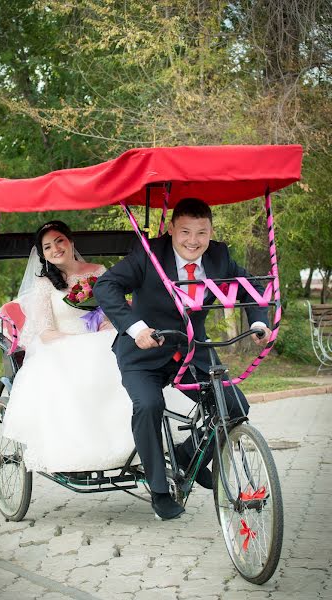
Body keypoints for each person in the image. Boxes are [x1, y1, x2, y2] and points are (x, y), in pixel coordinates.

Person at [94, 198, 272, 520]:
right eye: (185, 231)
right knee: (149, 406)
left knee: (234, 407)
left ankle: (189, 455)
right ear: (172, 228)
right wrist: (136, 328)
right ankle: (159, 490)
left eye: (201, 233)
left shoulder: (219, 255)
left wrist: (259, 322)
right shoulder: (149, 254)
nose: (193, 241)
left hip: (192, 351)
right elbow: (106, 286)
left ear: (211, 232)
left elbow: (251, 288)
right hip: (143, 351)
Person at [2, 220, 192, 474]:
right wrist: (77, 340)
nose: (56, 249)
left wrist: (107, 324)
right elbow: (45, 332)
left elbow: (115, 309)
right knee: (89, 367)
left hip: (104, 338)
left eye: (60, 241)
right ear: (44, 255)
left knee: (124, 363)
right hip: (63, 346)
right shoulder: (45, 284)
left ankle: (136, 448)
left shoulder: (98, 271)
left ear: (70, 242)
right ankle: (84, 450)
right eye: (48, 247)